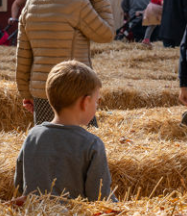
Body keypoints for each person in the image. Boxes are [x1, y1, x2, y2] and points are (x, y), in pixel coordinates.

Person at [16, 0, 114, 126]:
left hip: (42, 92)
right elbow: (106, 34)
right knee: (81, 147)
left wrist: (26, 94)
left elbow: (23, 54)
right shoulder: (78, 4)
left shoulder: (30, 4)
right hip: (74, 92)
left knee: (48, 146)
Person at [14, 61, 115, 201]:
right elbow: (100, 197)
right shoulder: (92, 144)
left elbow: (19, 183)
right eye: (96, 101)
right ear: (85, 102)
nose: (97, 106)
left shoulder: (33, 136)